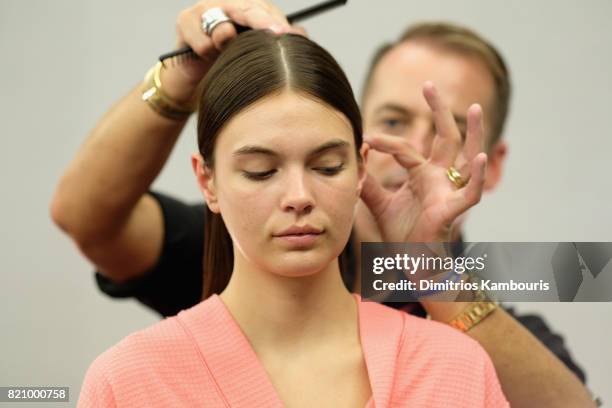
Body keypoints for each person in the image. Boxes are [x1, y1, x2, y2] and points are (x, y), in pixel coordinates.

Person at [51, 1, 596, 406]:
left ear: (491, 163)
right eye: (393, 121)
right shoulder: (146, 360)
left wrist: (428, 273)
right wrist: (178, 80)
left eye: (448, 130)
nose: (414, 151)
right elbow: (87, 219)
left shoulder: (476, 338)